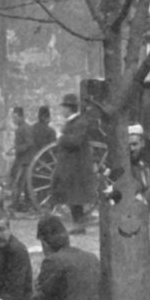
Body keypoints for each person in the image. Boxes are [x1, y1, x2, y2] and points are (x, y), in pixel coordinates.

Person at [53, 93, 97, 233]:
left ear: (69, 108)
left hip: (77, 166)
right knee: (73, 196)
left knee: (76, 196)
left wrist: (61, 137)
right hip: (70, 165)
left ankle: (79, 225)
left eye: (63, 107)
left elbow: (75, 142)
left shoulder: (80, 122)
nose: (62, 111)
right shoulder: (73, 122)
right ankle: (78, 224)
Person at [7, 106, 33, 212]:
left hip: (25, 160)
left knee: (19, 183)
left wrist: (16, 150)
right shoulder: (20, 128)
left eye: (15, 117)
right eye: (13, 117)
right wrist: (13, 149)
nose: (14, 120)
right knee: (22, 183)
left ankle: (16, 205)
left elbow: (29, 143)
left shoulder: (25, 128)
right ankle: (24, 204)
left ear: (22, 117)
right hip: (21, 159)